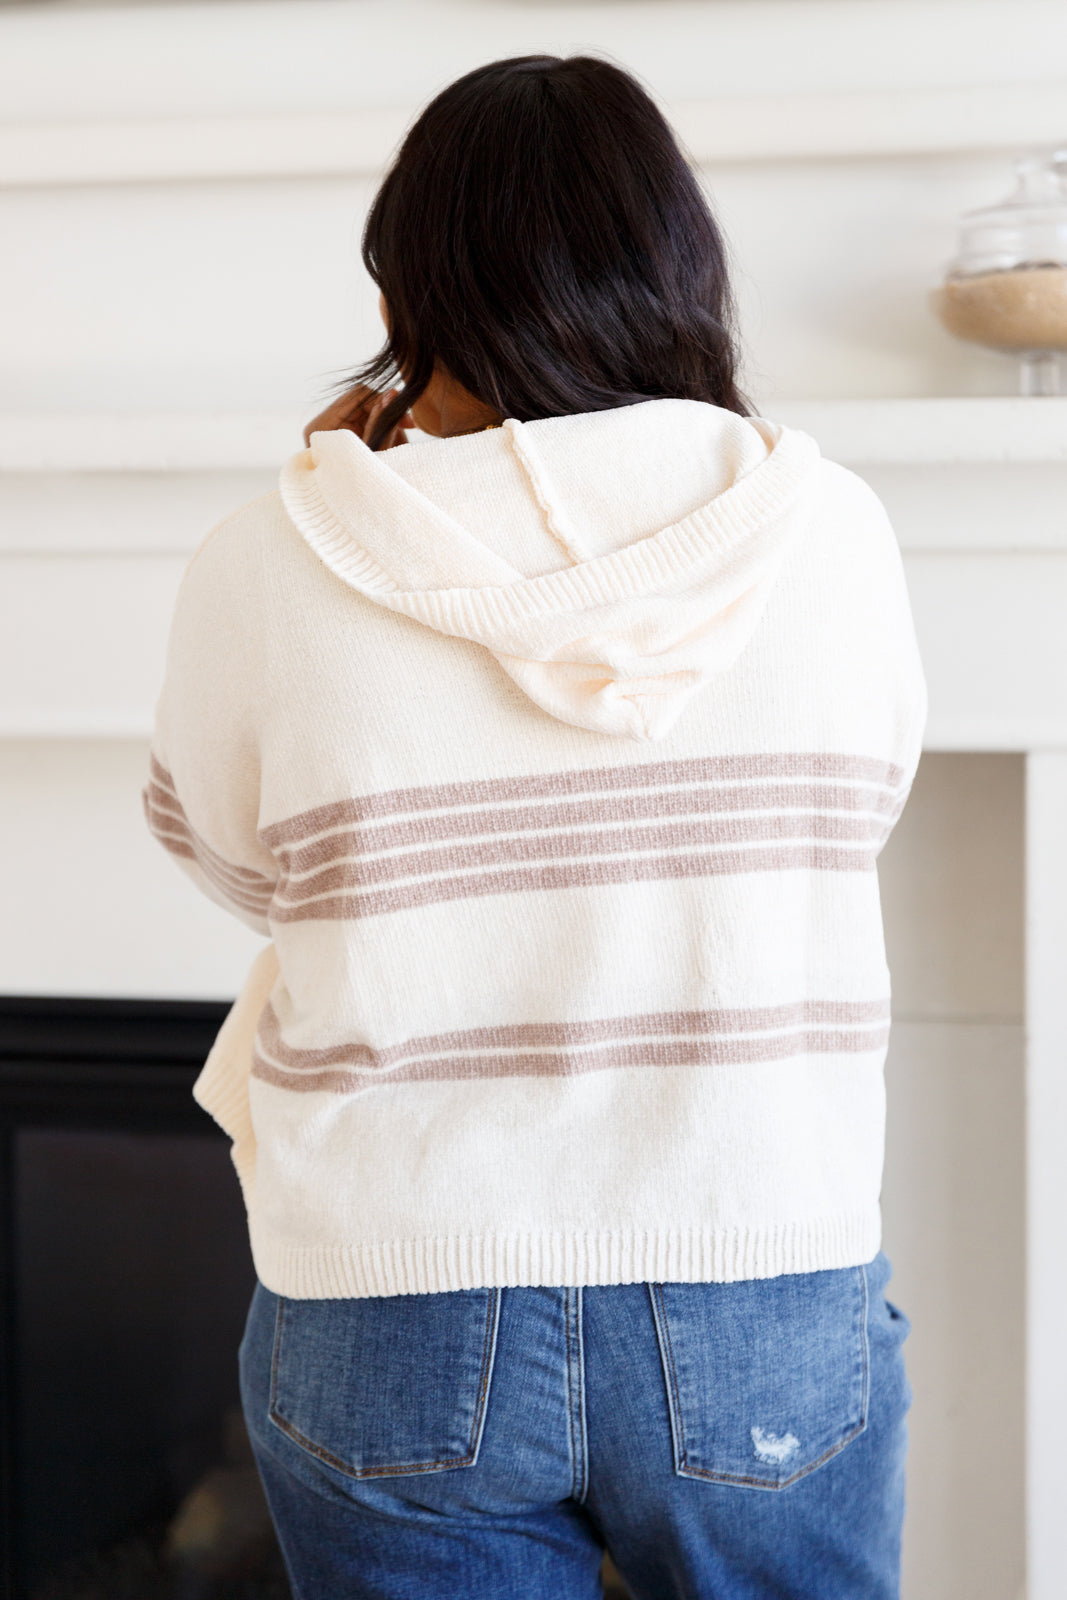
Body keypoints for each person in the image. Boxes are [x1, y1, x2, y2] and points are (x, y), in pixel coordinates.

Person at [143, 53, 925, 1600]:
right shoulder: (828, 530)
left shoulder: (271, 553)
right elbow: (856, 811)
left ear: (407, 286)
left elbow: (236, 862)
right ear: (678, 269)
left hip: (393, 1284)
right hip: (757, 1258)